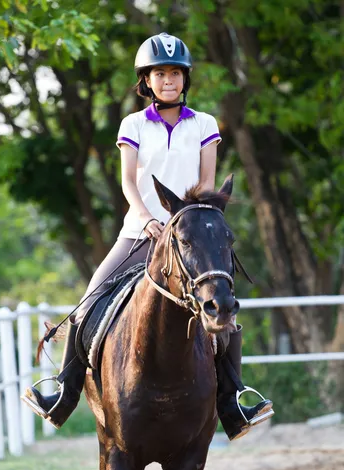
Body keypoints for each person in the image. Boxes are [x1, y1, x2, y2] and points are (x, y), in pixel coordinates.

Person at [21, 32, 273, 441]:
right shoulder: (133, 124)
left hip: (190, 235)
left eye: (175, 73)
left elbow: (207, 183)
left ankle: (233, 401)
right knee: (89, 299)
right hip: (140, 233)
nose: (168, 80)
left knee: (221, 305)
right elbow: (127, 183)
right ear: (147, 80)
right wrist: (145, 217)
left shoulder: (205, 124)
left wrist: (188, 221)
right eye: (160, 73)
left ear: (184, 78)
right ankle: (64, 393)